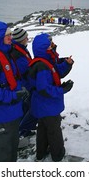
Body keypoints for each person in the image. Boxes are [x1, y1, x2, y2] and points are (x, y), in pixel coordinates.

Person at [28, 33, 74, 161]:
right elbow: (44, 89)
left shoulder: (44, 62)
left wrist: (67, 64)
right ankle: (58, 154)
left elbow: (56, 71)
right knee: (54, 130)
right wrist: (61, 90)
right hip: (47, 105)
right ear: (43, 49)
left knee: (43, 128)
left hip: (42, 105)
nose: (52, 47)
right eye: (50, 46)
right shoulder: (42, 66)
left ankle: (41, 153)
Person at [0, 21, 27, 161]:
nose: (11, 38)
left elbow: (10, 81)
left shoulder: (6, 54)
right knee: (2, 155)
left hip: (11, 113)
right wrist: (13, 96)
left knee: (11, 152)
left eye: (11, 34)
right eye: (8, 35)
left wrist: (20, 91)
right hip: (0, 117)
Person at [11, 28, 37, 138]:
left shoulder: (20, 48)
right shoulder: (17, 53)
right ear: (21, 39)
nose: (27, 38)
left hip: (24, 83)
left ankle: (24, 129)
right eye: (25, 37)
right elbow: (25, 71)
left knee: (25, 107)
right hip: (25, 84)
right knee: (33, 107)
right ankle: (23, 130)